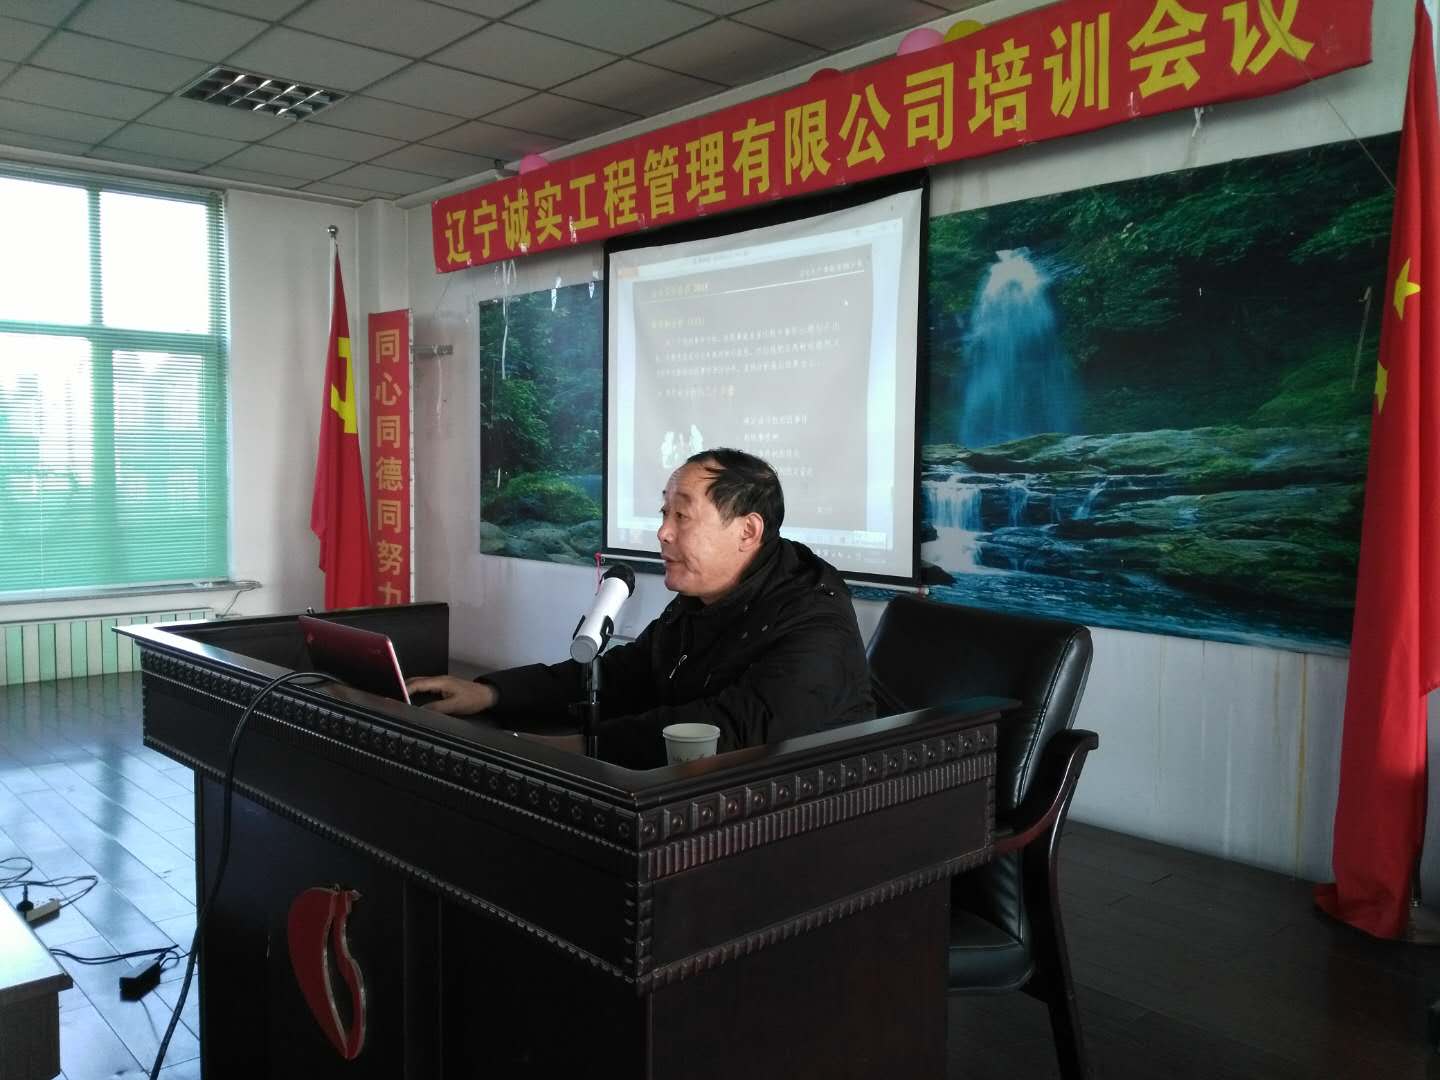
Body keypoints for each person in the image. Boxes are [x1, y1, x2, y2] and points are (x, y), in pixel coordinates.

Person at [406, 448, 875, 768]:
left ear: (747, 532)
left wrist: (577, 748)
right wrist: (492, 693)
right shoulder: (700, 601)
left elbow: (724, 733)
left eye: (682, 516)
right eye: (664, 513)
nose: (663, 532)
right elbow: (621, 675)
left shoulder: (815, 622)